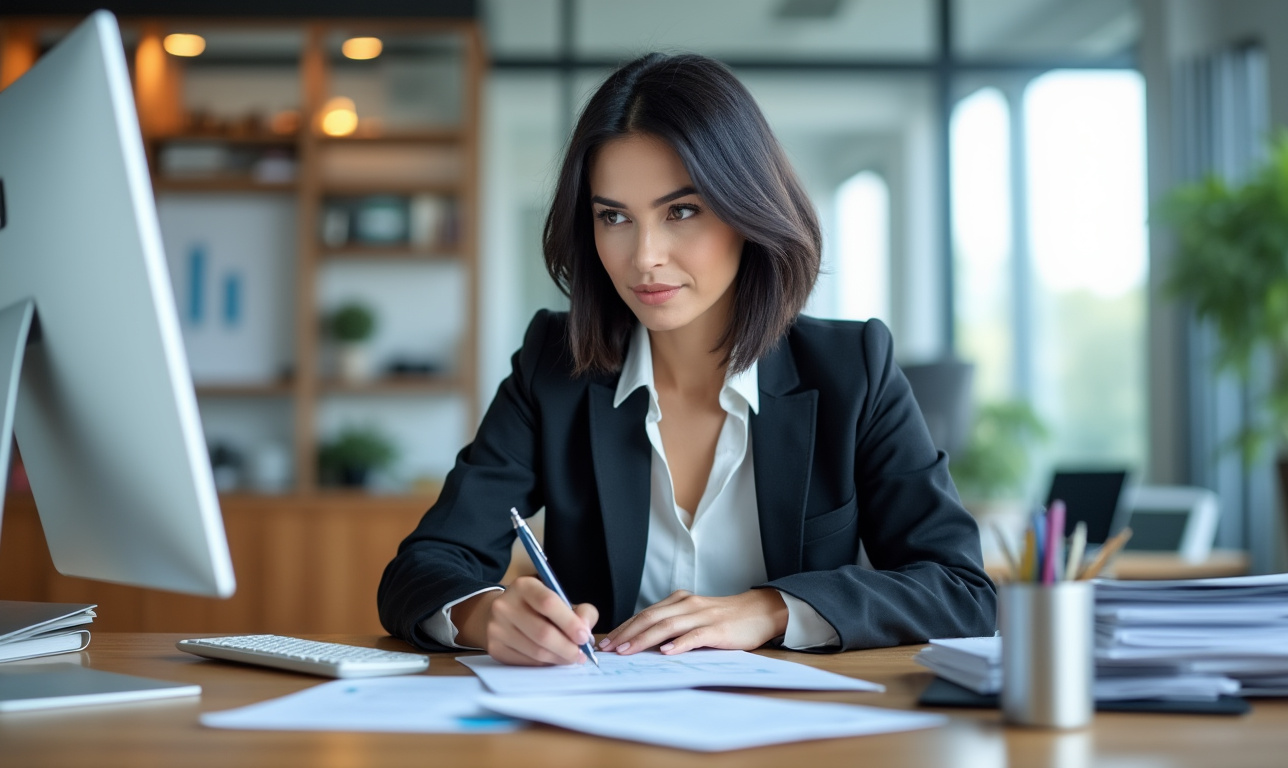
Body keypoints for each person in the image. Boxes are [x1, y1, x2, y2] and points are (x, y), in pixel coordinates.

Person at [378, 52, 996, 666]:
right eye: (614, 216)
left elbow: (961, 591)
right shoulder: (555, 366)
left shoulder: (852, 369)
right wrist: (486, 615)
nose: (644, 256)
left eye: (682, 211)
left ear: (748, 210)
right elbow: (422, 568)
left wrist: (770, 609)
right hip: (601, 735)